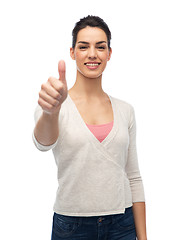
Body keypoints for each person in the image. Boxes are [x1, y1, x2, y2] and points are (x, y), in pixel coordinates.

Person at [32, 15, 147, 240]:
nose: (92, 54)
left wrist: (143, 237)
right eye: (83, 47)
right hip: (72, 226)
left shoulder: (126, 110)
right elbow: (43, 143)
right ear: (73, 52)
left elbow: (133, 177)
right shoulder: (54, 102)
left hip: (122, 224)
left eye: (100, 47)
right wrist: (51, 112)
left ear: (109, 54)